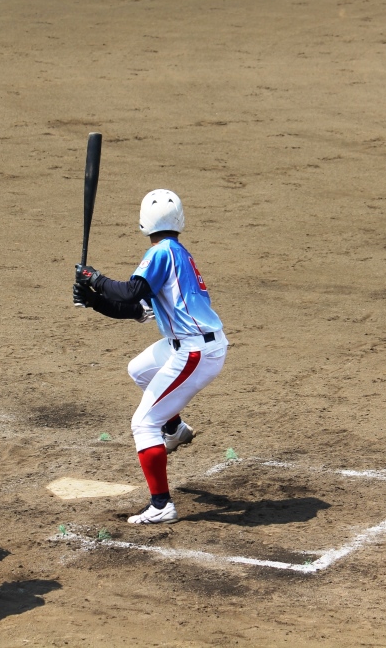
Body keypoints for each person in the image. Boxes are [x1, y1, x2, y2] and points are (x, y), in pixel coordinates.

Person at [73, 189, 228, 525]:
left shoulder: (161, 252)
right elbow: (133, 307)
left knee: (143, 424)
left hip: (195, 351)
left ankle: (161, 505)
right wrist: (94, 300)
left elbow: (131, 291)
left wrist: (94, 278)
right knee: (140, 370)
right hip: (188, 343)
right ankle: (174, 429)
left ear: (144, 221)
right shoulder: (176, 254)